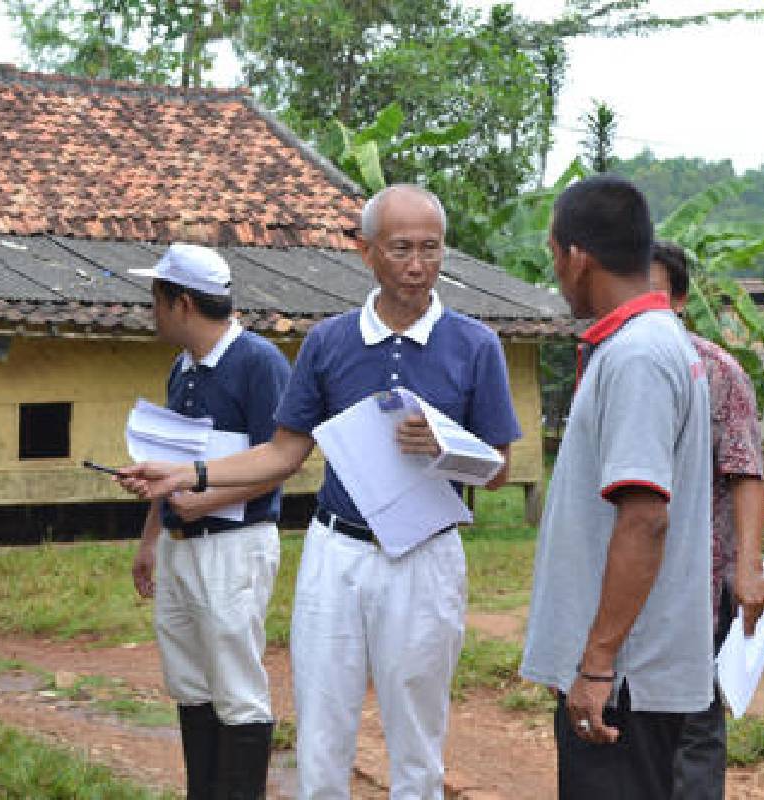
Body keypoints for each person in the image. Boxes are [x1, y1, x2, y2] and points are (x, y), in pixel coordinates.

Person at [119, 185, 521, 799]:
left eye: (431, 249)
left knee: (416, 733)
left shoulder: (474, 345)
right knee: (322, 725)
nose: (417, 265)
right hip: (338, 553)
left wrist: (446, 447)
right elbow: (284, 451)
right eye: (402, 248)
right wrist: (186, 476)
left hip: (426, 554)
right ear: (367, 252)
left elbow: (498, 467)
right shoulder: (329, 343)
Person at [519, 176, 713, 799]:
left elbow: (644, 519)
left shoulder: (637, 357)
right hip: (627, 672)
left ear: (577, 256)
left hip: (624, 677)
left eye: (553, 254)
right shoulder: (648, 345)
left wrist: (598, 663)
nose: (556, 271)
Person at [125, 244, 291, 799]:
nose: (152, 310)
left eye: (157, 299)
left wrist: (205, 492)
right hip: (180, 542)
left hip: (234, 544)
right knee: (191, 683)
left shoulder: (259, 362)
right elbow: (171, 458)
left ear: (184, 303)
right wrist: (151, 537)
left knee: (237, 686)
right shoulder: (183, 367)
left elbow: (279, 462)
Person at [650, 241, 764, 799]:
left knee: (695, 727)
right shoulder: (606, 362)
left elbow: (746, 473)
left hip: (699, 585)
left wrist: (748, 573)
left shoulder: (717, 371)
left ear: (677, 299)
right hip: (630, 583)